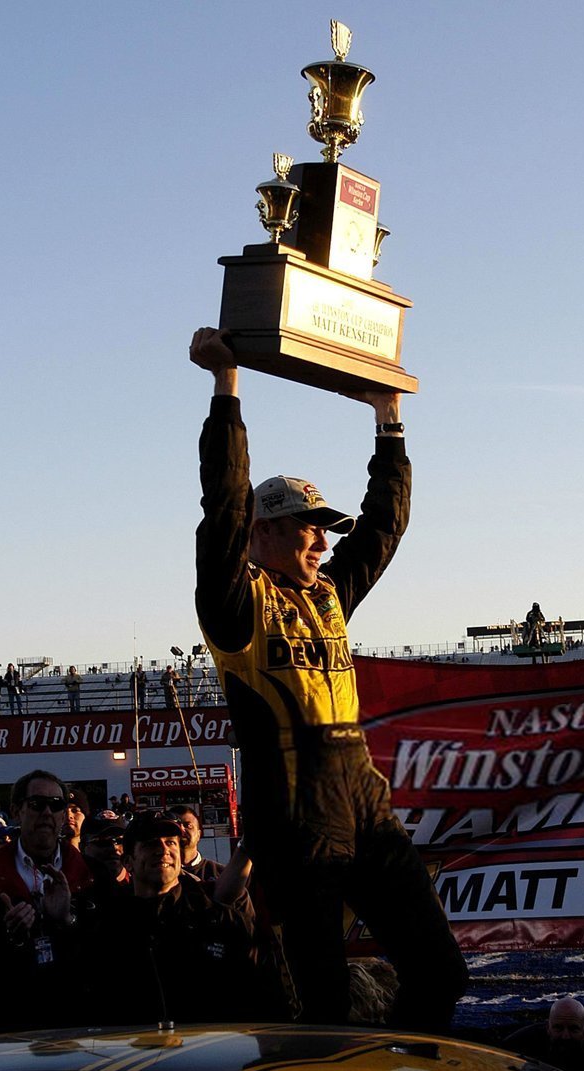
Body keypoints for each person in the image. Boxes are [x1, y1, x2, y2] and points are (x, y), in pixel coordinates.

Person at [189, 327, 468, 1031]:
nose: (320, 538)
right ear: (260, 535)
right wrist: (227, 390)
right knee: (323, 1003)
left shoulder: (330, 594)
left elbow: (382, 528)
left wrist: (387, 419)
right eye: (303, 525)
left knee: (441, 969)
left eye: (322, 528)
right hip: (292, 814)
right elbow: (221, 508)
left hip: (361, 799)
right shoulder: (236, 605)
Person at [81, 812, 261, 1025]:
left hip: (209, 1052)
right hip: (131, 1053)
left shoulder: (223, 921)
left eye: (170, 843)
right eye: (150, 844)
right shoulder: (105, 928)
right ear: (128, 861)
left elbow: (258, 996)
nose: (163, 850)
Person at [0, 769, 95, 1034]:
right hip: (5, 1037)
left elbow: (111, 957)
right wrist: (8, 936)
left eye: (56, 805)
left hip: (79, 1034)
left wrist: (67, 922)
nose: (47, 813)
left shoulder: (94, 876)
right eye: (37, 804)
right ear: (16, 810)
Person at [167, 804, 223, 882]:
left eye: (188, 826)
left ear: (199, 834)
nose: (182, 830)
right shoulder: (158, 874)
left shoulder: (220, 874)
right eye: (177, 826)